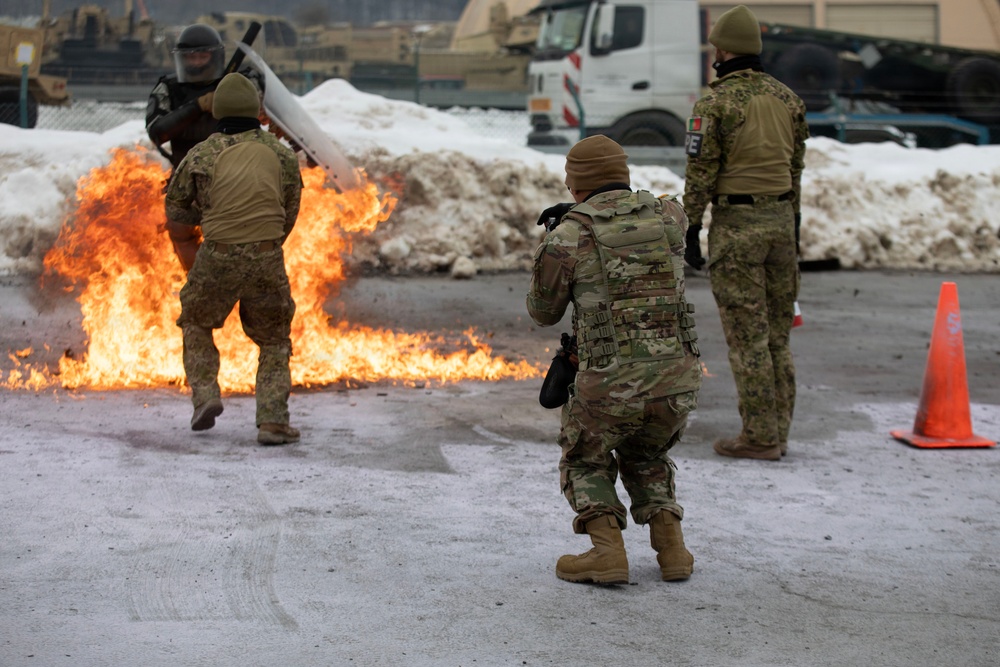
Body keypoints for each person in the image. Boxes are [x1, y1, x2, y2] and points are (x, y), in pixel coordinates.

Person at [527, 135, 702, 585]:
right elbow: (654, 213)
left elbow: (542, 312)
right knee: (648, 452)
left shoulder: (569, 236)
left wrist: (556, 237)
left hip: (609, 382)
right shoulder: (671, 217)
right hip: (677, 379)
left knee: (585, 459)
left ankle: (607, 552)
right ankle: (673, 552)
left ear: (575, 185)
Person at [682, 4, 808, 461]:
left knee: (747, 338)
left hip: (737, 232)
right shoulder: (788, 99)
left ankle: (759, 437)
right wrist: (791, 223)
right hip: (780, 226)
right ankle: (778, 431)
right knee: (777, 337)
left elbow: (701, 173)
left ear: (722, 49)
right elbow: (796, 169)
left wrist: (691, 226)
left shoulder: (715, 103)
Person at [165, 72, 303, 446]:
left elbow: (176, 211)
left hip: (217, 255)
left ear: (219, 112)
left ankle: (206, 396)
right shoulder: (281, 154)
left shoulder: (200, 154)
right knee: (274, 340)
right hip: (265, 257)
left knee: (196, 322)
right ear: (257, 112)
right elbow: (289, 211)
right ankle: (273, 421)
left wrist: (206, 219)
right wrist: (262, 244)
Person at [147, 24, 264, 267]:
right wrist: (197, 106)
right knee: (180, 230)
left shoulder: (240, 80)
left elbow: (257, 97)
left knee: (235, 240)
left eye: (203, 55)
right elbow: (157, 131)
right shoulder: (168, 88)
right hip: (187, 176)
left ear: (215, 55)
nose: (197, 62)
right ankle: (198, 283)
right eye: (191, 56)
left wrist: (229, 98)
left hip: (235, 176)